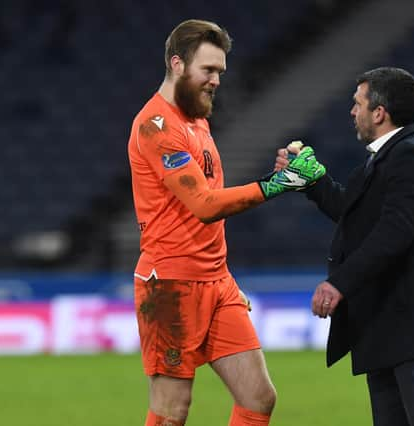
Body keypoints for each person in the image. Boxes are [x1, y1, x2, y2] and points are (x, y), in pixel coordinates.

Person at [127, 19, 326, 426]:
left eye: (220, 71)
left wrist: (277, 177)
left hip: (217, 281)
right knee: (172, 410)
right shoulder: (155, 126)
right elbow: (202, 204)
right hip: (168, 285)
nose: (216, 80)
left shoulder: (196, 118)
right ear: (177, 64)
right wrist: (277, 184)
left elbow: (208, 193)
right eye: (208, 70)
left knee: (258, 397)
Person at [276, 67, 414, 425]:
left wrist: (339, 283)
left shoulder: (412, 156)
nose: (352, 111)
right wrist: (311, 180)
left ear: (379, 112)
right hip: (386, 325)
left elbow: (394, 233)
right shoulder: (387, 157)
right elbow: (354, 214)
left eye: (358, 103)